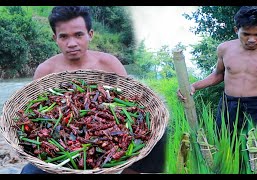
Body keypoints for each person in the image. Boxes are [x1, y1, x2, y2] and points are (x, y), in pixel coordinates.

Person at [21, 6, 166, 174]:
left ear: (90, 34)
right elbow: (34, 114)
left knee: (160, 136)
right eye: (64, 36)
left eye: (78, 35)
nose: (72, 43)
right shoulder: (45, 71)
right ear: (55, 38)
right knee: (30, 171)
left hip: (111, 142)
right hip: (64, 150)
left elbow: (129, 102)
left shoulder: (109, 63)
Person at [177, 6, 257, 147]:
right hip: (228, 104)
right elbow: (218, 75)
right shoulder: (225, 49)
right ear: (237, 30)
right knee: (224, 147)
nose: (252, 40)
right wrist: (193, 86)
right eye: (246, 34)